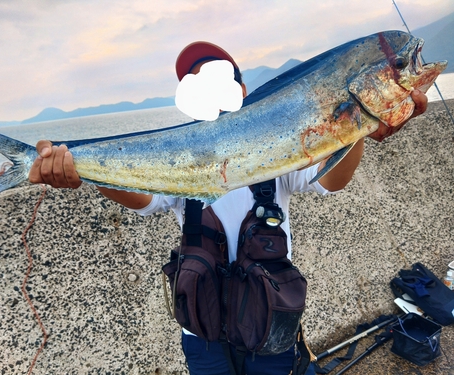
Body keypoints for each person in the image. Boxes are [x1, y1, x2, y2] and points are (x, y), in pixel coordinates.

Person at [29, 41, 428, 375]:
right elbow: (142, 199)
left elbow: (332, 181)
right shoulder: (183, 159)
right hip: (203, 336)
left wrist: (357, 127)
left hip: (271, 327)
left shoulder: (284, 149)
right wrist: (84, 171)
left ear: (241, 85)